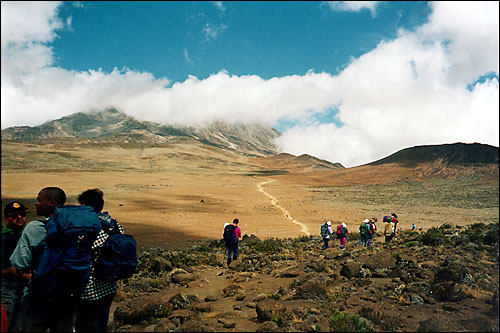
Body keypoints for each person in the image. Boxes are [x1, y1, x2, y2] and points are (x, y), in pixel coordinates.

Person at [9, 187, 77, 332]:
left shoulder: (34, 228)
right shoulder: (75, 228)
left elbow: (19, 263)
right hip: (67, 295)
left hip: (39, 296)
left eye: (39, 201)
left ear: (52, 203)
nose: (36, 204)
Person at [75, 188, 125, 333]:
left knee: (86, 325)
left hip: (89, 290)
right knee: (101, 323)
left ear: (84, 205)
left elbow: (80, 252)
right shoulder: (114, 225)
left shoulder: (88, 228)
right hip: (109, 286)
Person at [2, 202, 31, 332]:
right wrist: (25, 275)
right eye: (14, 215)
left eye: (22, 214)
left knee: (17, 326)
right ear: (6, 219)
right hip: (6, 289)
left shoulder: (21, 236)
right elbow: (3, 269)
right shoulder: (4, 238)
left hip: (20, 288)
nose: (20, 217)